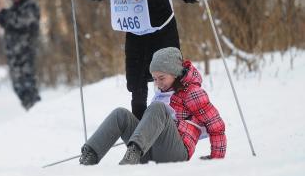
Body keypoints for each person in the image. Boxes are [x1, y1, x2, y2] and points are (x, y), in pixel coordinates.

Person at [63, 0, 211, 120]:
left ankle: (179, 121)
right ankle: (139, 128)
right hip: (136, 34)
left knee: (170, 78)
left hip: (163, 32)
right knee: (136, 83)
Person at [78, 47, 226, 165]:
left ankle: (134, 152)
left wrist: (216, 159)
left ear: (175, 73)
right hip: (150, 151)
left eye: (162, 78)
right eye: (155, 79)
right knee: (120, 114)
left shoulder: (192, 92)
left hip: (176, 153)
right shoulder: (162, 92)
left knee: (157, 108)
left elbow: (216, 125)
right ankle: (90, 155)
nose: (158, 83)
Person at [0, 0, 41, 110]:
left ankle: (36, 110)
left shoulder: (30, 6)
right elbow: (4, 22)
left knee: (28, 84)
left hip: (25, 52)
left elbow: (19, 22)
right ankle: (30, 109)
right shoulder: (14, 8)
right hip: (14, 54)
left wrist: (4, 13)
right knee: (18, 86)